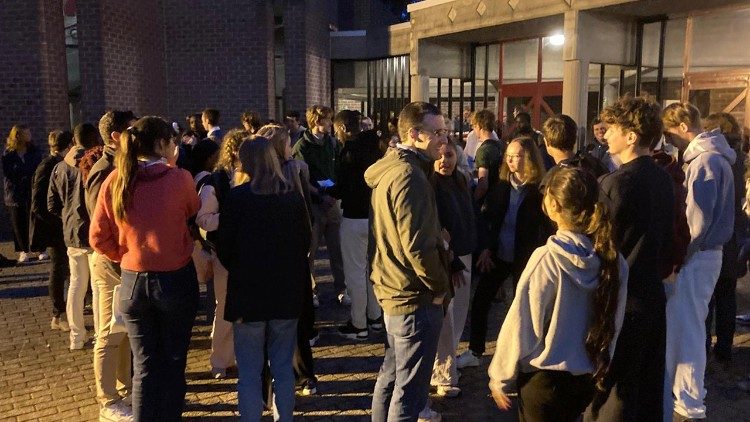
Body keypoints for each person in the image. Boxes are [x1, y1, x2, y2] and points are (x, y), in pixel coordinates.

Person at [489, 166, 628, 420]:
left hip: (543, 382)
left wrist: (500, 375)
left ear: (553, 205)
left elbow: (523, 323)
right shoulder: (614, 261)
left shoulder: (547, 258)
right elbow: (613, 322)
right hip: (585, 378)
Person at [90, 116, 200, 421]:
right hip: (175, 279)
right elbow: (193, 210)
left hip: (133, 282)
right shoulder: (179, 178)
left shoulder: (115, 180)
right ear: (163, 144)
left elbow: (97, 237)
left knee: (144, 367)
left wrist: (126, 255)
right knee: (174, 362)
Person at [586, 96, 674, 422]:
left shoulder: (614, 184)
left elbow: (598, 245)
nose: (606, 135)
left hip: (621, 299)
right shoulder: (664, 178)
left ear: (632, 136)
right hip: (652, 294)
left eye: (612, 129)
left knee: (612, 393)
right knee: (647, 387)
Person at [365, 101, 449, 422]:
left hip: (394, 288)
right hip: (412, 295)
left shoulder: (395, 168)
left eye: (446, 130)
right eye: (437, 132)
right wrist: (439, 287)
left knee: (393, 373)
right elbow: (418, 246)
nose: (444, 138)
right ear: (414, 134)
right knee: (409, 390)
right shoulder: (409, 176)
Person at [217, 138, 311, 422]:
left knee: (249, 371)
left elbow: (225, 249)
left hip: (249, 294)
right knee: (282, 366)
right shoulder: (292, 198)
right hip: (285, 293)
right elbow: (305, 243)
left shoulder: (237, 198)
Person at [662, 103, 735, 421]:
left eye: (669, 132)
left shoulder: (704, 161)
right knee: (689, 324)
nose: (670, 141)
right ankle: (687, 395)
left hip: (699, 255)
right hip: (708, 254)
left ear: (681, 126)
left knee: (689, 327)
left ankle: (689, 398)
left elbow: (697, 220)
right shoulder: (715, 157)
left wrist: (680, 255)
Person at [456, 137, 548, 369]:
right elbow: (488, 220)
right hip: (498, 253)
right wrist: (486, 247)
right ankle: (475, 351)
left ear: (529, 157)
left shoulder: (540, 191)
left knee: (524, 307)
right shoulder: (502, 187)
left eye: (517, 155)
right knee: (480, 301)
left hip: (526, 258)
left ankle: (524, 354)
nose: (511, 160)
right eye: (509, 155)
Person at [256, 123, 318, 395]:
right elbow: (306, 214)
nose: (291, 147)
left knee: (280, 323)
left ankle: (274, 383)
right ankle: (303, 377)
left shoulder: (251, 176)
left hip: (271, 261)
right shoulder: (292, 172)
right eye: (287, 142)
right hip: (292, 258)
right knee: (296, 320)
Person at [86, 110, 137, 422]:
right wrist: (121, 254)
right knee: (108, 332)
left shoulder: (121, 165)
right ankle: (107, 401)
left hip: (121, 259)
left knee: (124, 329)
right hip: (109, 262)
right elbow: (100, 227)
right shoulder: (105, 170)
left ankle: (125, 386)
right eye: (133, 130)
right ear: (118, 136)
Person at [195, 129, 247, 377]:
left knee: (245, 308)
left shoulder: (252, 178)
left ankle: (237, 357)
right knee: (224, 307)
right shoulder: (215, 182)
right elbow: (203, 220)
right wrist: (230, 218)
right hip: (225, 253)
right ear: (235, 152)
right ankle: (220, 361)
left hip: (245, 253)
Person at [329, 110, 384, 340]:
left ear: (341, 128)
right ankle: (375, 317)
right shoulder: (375, 147)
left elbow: (342, 188)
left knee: (354, 273)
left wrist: (324, 190)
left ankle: (358, 324)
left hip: (353, 217)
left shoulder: (348, 153)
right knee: (372, 270)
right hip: (374, 217)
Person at [429, 139, 477, 399]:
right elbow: (438, 227)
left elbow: (468, 217)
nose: (444, 160)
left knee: (459, 314)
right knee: (446, 317)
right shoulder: (431, 185)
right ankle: (443, 372)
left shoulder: (460, 181)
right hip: (449, 259)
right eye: (440, 155)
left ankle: (449, 361)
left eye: (449, 155)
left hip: (466, 252)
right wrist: (454, 259)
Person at [48, 122, 101, 350]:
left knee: (76, 285)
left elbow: (51, 203)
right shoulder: (92, 165)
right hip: (92, 232)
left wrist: (67, 217)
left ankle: (76, 337)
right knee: (98, 288)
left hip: (70, 232)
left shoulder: (59, 167)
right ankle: (101, 334)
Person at [292, 105, 348, 305]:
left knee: (337, 249)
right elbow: (300, 179)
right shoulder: (301, 147)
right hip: (314, 205)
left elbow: (339, 170)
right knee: (311, 250)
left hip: (332, 202)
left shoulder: (332, 144)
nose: (331, 124)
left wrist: (334, 194)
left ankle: (341, 288)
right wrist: (320, 194)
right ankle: (312, 291)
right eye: (328, 120)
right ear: (317, 121)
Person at [703, 112, 747, 363]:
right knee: (727, 294)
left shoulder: (716, 159)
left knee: (709, 297)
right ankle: (725, 348)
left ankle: (705, 344)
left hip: (718, 234)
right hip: (735, 234)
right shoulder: (740, 158)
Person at [31, 130, 73, 332]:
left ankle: (68, 309)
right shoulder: (48, 166)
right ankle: (58, 314)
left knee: (65, 269)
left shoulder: (54, 164)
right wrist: (57, 219)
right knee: (58, 269)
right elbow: (39, 203)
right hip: (54, 229)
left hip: (59, 226)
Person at [3, 124, 43, 263]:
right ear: (18, 135)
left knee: (35, 220)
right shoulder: (9, 154)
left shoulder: (34, 151)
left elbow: (37, 168)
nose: (29, 135)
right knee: (18, 222)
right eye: (26, 133)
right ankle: (23, 250)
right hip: (15, 193)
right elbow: (8, 173)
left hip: (31, 190)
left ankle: (40, 248)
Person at [542, 114, 608, 183]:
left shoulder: (551, 179)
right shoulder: (595, 166)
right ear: (575, 138)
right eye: (596, 129)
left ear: (547, 142)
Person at [471, 109, 505, 201]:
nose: (473, 130)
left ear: (479, 126)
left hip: (490, 199)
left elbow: (483, 185)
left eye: (474, 126)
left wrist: (473, 202)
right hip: (504, 195)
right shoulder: (502, 145)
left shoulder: (483, 151)